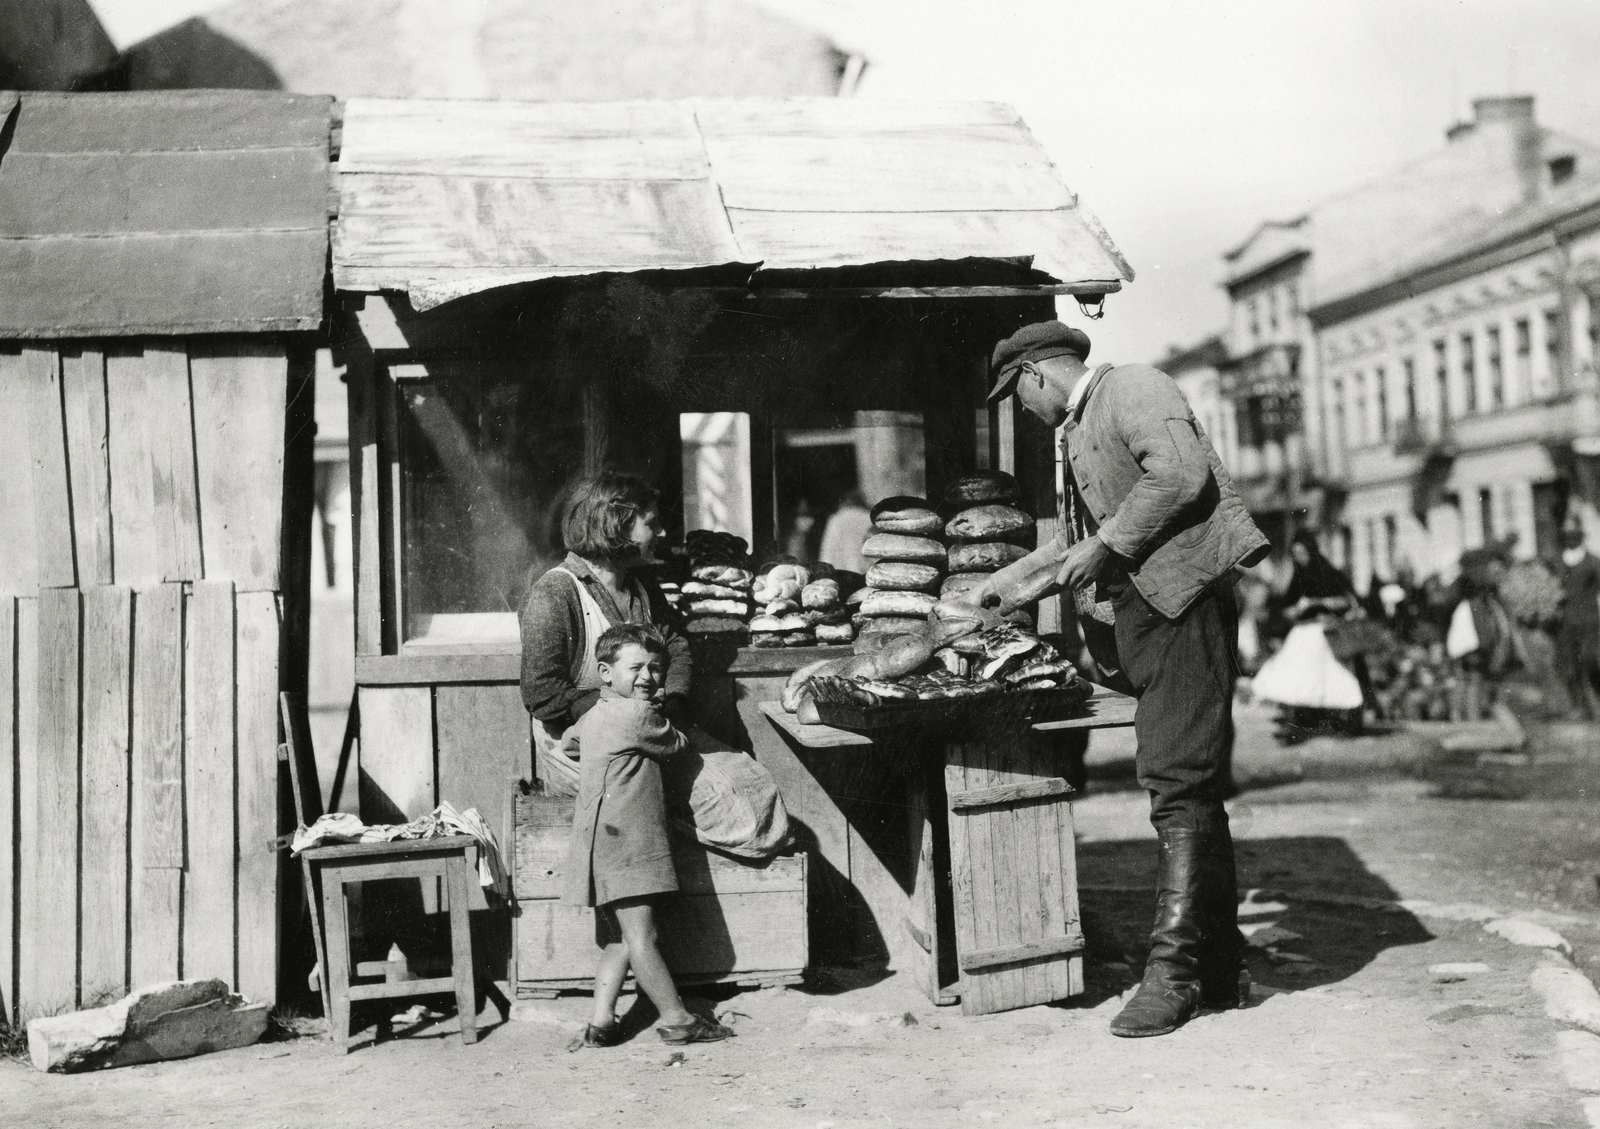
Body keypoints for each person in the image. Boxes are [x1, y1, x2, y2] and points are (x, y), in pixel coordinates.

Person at [966, 320, 1269, 1039]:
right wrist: (998, 590)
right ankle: (1218, 968)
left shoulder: (1133, 388)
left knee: (1176, 781)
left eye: (1018, 396)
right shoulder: (1076, 428)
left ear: (1037, 375)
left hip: (1184, 605)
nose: (1022, 409)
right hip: (1148, 612)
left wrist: (1106, 544)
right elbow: (1080, 539)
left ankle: (1173, 976)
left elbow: (1181, 473)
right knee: (1188, 785)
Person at [563, 624, 732, 1047]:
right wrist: (659, 713)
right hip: (629, 840)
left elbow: (569, 744)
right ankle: (678, 1019)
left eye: (656, 669)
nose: (648, 677)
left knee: (620, 938)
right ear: (605, 672)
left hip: (599, 840)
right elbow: (677, 746)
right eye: (635, 667)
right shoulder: (638, 715)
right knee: (644, 936)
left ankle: (601, 1022)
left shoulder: (595, 714)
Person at [520, 472, 693, 790]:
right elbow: (542, 693)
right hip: (578, 744)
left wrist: (676, 702)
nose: (662, 532)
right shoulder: (556, 592)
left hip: (651, 728)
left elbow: (675, 644)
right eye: (651, 523)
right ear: (618, 523)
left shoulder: (643, 584)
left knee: (740, 783)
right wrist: (624, 715)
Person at [1557, 516, 1600, 719]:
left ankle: (1596, 702)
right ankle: (1580, 707)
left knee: (1591, 661)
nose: (1570, 539)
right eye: (1567, 536)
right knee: (1570, 665)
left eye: (1574, 535)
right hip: (1565, 623)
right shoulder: (1558, 561)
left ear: (1581, 537)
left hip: (1589, 621)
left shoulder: (1592, 562)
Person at [818, 489, 873, 573]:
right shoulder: (869, 518)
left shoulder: (836, 519)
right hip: (865, 574)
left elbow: (827, 553)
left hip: (841, 575)